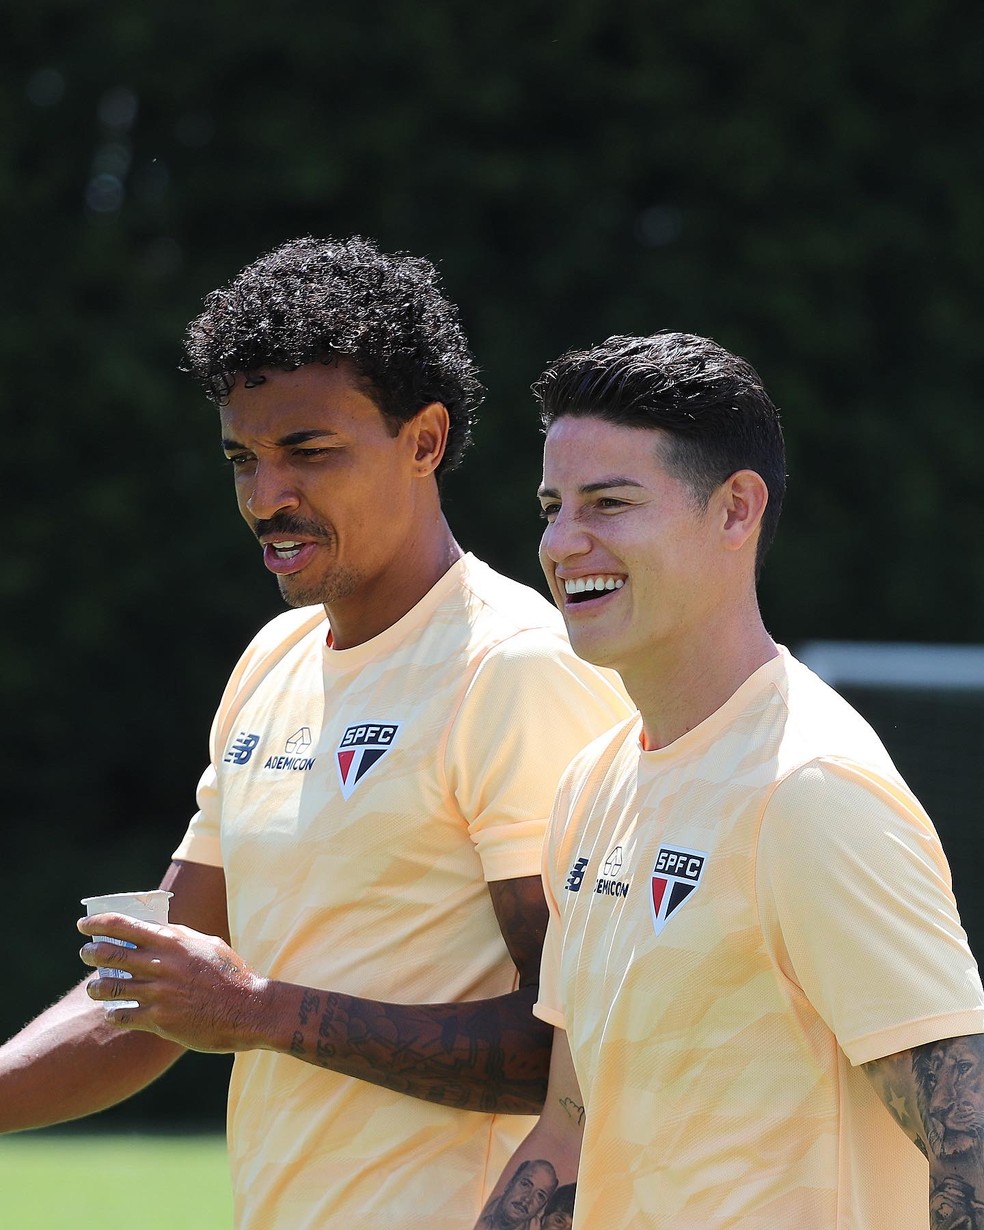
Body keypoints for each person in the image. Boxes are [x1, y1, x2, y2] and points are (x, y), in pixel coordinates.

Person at [0, 237, 632, 1230]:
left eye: (308, 451)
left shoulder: (514, 667)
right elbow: (154, 997)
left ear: (423, 441)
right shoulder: (275, 659)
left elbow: (588, 1048)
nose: (265, 498)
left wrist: (262, 1013)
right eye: (242, 458)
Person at [476, 331, 984, 1228]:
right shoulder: (592, 783)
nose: (562, 542)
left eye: (611, 502)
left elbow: (968, 1145)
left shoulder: (811, 789)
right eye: (552, 506)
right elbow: (569, 1127)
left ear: (736, 510)